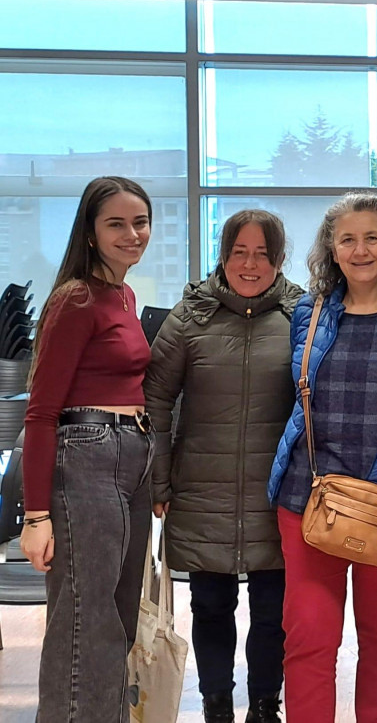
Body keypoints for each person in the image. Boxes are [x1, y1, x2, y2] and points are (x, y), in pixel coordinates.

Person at [267, 192, 377, 723]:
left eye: (372, 237)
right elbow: (300, 398)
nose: (360, 250)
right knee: (308, 639)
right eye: (347, 239)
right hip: (309, 498)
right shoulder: (309, 314)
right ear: (331, 250)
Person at [144, 210, 303, 723]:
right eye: (239, 252)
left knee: (272, 612)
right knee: (211, 608)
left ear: (279, 259)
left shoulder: (304, 314)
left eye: (262, 253)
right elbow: (156, 399)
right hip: (200, 490)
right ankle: (216, 704)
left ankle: (263, 706)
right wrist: (160, 479)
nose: (250, 264)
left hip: (278, 493)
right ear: (223, 255)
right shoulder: (190, 316)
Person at [20, 176, 154, 722]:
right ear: (91, 233)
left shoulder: (122, 294)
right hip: (86, 454)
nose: (132, 234)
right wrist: (36, 515)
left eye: (140, 222)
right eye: (116, 223)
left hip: (132, 456)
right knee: (84, 619)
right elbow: (40, 411)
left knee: (117, 618)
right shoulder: (75, 299)